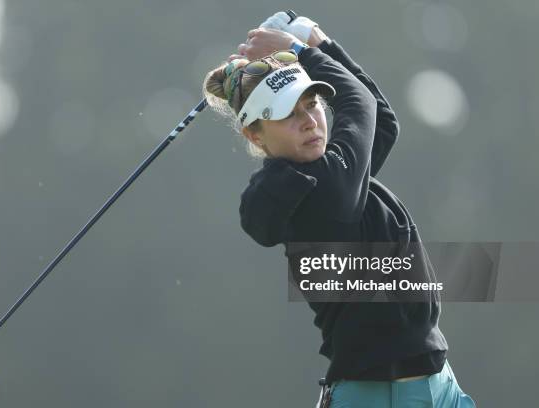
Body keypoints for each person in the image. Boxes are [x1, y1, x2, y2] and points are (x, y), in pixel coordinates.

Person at [202, 11, 477, 408]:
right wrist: (300, 48)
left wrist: (322, 45)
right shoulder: (319, 188)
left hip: (435, 384)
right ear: (254, 135)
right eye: (288, 114)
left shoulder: (331, 174)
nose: (310, 121)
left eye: (312, 103)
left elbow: (381, 121)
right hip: (382, 395)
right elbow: (359, 103)